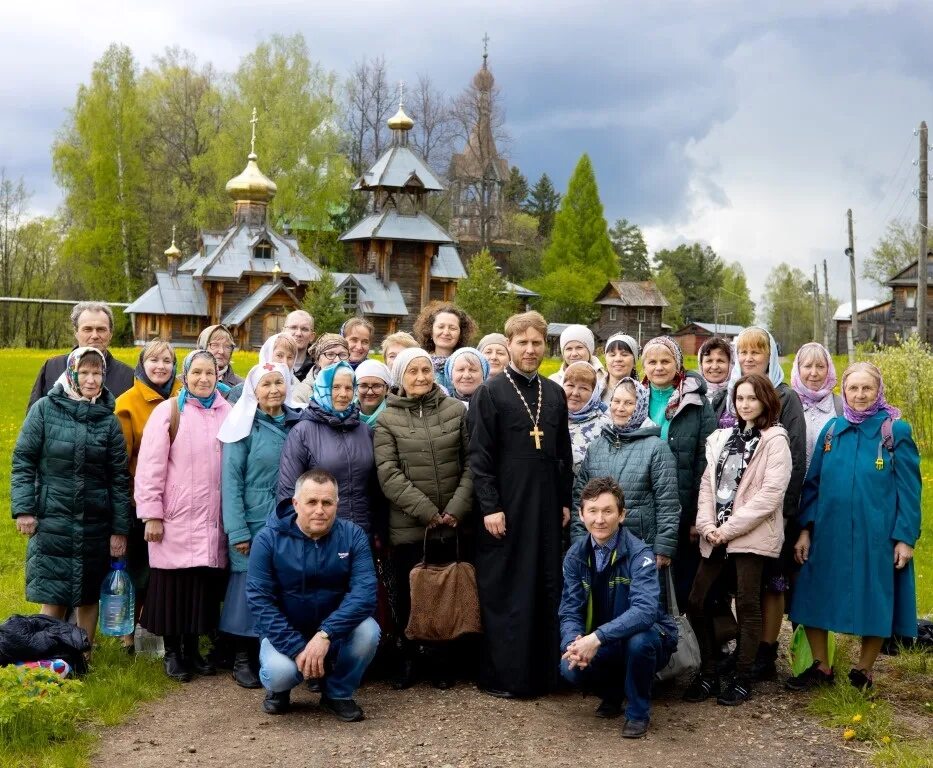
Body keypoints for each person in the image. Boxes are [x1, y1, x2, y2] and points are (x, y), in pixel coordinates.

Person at [787, 362, 921, 691]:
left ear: (879, 391)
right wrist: (805, 529)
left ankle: (863, 671)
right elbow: (813, 485)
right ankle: (822, 667)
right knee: (812, 595)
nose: (859, 395)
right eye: (853, 388)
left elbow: (909, 489)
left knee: (876, 597)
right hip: (828, 534)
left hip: (876, 535)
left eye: (867, 388)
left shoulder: (895, 431)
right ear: (843, 391)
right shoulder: (833, 430)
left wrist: (904, 537)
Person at [467, 310, 573, 698]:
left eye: (536, 342)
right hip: (506, 508)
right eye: (522, 343)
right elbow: (479, 457)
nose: (530, 350)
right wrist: (490, 506)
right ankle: (508, 676)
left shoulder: (555, 392)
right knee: (509, 588)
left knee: (546, 584)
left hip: (545, 507)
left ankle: (547, 674)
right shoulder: (490, 392)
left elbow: (564, 454)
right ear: (509, 345)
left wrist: (564, 500)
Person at [12, 347, 131, 649]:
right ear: (72, 373)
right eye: (86, 372)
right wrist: (25, 509)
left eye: (98, 373)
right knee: (54, 593)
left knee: (89, 593)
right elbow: (24, 459)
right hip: (53, 517)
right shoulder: (44, 409)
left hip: (95, 521)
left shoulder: (108, 421)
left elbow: (118, 480)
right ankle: (49, 657)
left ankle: (83, 658)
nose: (92, 379)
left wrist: (119, 530)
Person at [683, 374, 791, 706]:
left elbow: (769, 496)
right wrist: (705, 524)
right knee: (696, 602)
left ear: (766, 401)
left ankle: (743, 676)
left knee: (746, 604)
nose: (745, 404)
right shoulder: (723, 437)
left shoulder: (775, 440)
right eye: (740, 398)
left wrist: (727, 530)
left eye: (752, 398)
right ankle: (709, 670)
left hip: (750, 535)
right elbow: (707, 485)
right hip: (715, 534)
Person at [374, 348, 474, 690]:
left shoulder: (455, 410)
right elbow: (387, 474)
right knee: (409, 595)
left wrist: (457, 509)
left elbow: (472, 463)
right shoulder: (388, 419)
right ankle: (408, 659)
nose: (420, 377)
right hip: (411, 526)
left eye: (426, 370)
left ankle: (442, 660)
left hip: (453, 523)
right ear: (400, 377)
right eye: (412, 371)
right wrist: (427, 512)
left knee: (446, 592)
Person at [247, 469, 379, 719]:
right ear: (296, 503)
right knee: (279, 674)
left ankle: (337, 693)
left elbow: (365, 594)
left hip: (333, 632)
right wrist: (298, 649)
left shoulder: (353, 536)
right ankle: (279, 691)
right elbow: (260, 602)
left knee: (368, 631)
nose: (320, 510)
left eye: (327, 502)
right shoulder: (267, 539)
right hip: (284, 631)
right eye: (312, 502)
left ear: (336, 504)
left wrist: (326, 634)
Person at [134, 350, 231, 682]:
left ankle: (193, 650)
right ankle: (173, 653)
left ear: (219, 376)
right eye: (197, 373)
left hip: (210, 519)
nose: (204, 379)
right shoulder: (169, 411)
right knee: (173, 589)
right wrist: (151, 515)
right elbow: (150, 469)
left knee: (200, 589)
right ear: (185, 377)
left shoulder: (227, 413)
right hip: (175, 518)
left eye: (210, 373)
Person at [559, 476, 678, 739]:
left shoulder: (640, 554)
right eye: (592, 511)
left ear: (621, 515)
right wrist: (574, 643)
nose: (599, 519)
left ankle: (638, 711)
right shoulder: (574, 556)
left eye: (607, 511)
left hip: (647, 636)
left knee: (640, 642)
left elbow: (646, 611)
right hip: (603, 640)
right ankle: (612, 694)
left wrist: (596, 638)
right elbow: (569, 610)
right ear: (581, 515)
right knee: (567, 667)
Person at [219, 362, 302, 689]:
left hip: (290, 521)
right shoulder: (243, 426)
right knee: (248, 588)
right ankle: (243, 656)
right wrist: (237, 530)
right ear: (254, 390)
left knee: (284, 588)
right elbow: (231, 480)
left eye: (278, 383)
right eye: (266, 384)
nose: (273, 390)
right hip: (253, 519)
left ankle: (281, 653)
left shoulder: (297, 421)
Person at [730, 326, 806, 680]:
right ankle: (745, 647)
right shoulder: (734, 394)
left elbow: (796, 457)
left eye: (756, 352)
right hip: (738, 513)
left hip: (774, 510)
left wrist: (786, 512)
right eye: (743, 353)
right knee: (744, 585)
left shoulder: (785, 398)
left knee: (772, 583)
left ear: (770, 356)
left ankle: (766, 651)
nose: (748, 359)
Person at [114, 339, 182, 653]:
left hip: (178, 502)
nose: (160, 367)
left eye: (166, 361)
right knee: (136, 570)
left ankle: (155, 628)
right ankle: (128, 635)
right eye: (153, 360)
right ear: (143, 364)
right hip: (139, 501)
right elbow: (121, 460)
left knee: (162, 573)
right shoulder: (128, 403)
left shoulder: (184, 397)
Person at [571, 378, 680, 573]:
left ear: (641, 406)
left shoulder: (656, 448)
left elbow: (668, 504)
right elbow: (580, 498)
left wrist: (663, 547)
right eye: (616, 401)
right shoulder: (597, 447)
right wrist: (580, 542)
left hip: (641, 547)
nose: (620, 408)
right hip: (599, 545)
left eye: (629, 403)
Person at [640, 336, 716, 608]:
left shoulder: (695, 402)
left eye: (665, 361)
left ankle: (682, 644)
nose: (659, 367)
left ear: (678, 364)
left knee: (681, 582)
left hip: (682, 508)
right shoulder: (635, 398)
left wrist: (698, 513)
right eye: (652, 361)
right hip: (643, 505)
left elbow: (705, 461)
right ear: (644, 365)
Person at [278, 361, 375, 533]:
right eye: (335, 387)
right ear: (323, 387)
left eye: (348, 388)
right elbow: (288, 492)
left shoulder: (365, 431)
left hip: (362, 532)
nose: (343, 394)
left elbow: (375, 490)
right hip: (320, 534)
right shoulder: (303, 432)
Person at [28, 302, 134, 409]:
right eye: (87, 329)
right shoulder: (52, 368)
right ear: (76, 333)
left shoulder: (128, 377)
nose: (94, 335)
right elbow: (33, 416)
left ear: (110, 334)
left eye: (101, 329)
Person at [790, 342, 842, 467]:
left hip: (828, 483)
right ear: (798, 369)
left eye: (820, 366)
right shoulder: (786, 405)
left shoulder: (841, 406)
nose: (814, 373)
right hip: (794, 484)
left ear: (828, 370)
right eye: (807, 366)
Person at [413, 301, 478, 392]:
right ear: (430, 331)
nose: (446, 332)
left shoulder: (470, 364)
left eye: (452, 328)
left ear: (461, 333)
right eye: (441, 327)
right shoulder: (419, 362)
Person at [561, 361, 608, 478]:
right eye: (570, 385)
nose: (575, 393)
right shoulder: (551, 419)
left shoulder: (606, 426)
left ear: (594, 393)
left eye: (584, 388)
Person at [227, 333, 301, 405]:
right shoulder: (241, 391)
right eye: (279, 355)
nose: (285, 363)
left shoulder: (298, 390)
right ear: (267, 354)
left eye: (290, 357)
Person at [292, 333, 350, 404]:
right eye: (330, 354)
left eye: (343, 355)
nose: (337, 360)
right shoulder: (302, 394)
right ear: (318, 360)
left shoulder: (357, 389)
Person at [549, 324, 607, 389]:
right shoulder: (552, 382)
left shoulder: (606, 380)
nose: (574, 354)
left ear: (590, 350)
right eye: (569, 349)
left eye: (579, 347)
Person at [697, 337, 734, 425]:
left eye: (720, 361)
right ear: (701, 364)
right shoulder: (690, 394)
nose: (714, 366)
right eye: (709, 361)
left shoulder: (738, 395)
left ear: (731, 364)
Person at [601, 333, 640, 406]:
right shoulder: (594, 391)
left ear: (634, 361)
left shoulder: (642, 394)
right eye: (612, 355)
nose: (618, 359)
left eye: (624, 354)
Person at [355, 359, 392, 427]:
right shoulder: (344, 414)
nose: (370, 392)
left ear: (387, 389)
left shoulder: (395, 417)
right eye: (363, 386)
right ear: (355, 389)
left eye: (377, 386)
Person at [283, 310, 316, 381]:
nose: (298, 333)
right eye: (293, 327)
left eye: (304, 329)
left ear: (312, 336)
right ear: (283, 331)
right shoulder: (271, 363)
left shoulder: (318, 368)